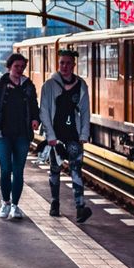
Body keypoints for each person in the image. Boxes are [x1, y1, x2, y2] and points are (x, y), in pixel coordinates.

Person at [0, 53, 40, 220]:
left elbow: (34, 107)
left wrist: (36, 119)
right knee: (6, 170)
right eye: (16, 67)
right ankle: (5, 203)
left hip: (22, 135)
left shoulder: (29, 87)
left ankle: (15, 206)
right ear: (9, 67)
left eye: (22, 67)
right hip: (2, 135)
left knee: (18, 171)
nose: (20, 70)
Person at [40, 49, 93, 223]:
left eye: (68, 63)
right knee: (55, 170)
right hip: (57, 137)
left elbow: (85, 111)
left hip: (74, 137)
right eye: (62, 63)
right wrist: (50, 136)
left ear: (73, 65)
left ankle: (80, 207)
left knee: (76, 170)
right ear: (58, 64)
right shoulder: (49, 85)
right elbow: (44, 112)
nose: (65, 66)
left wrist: (84, 134)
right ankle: (55, 203)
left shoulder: (81, 85)